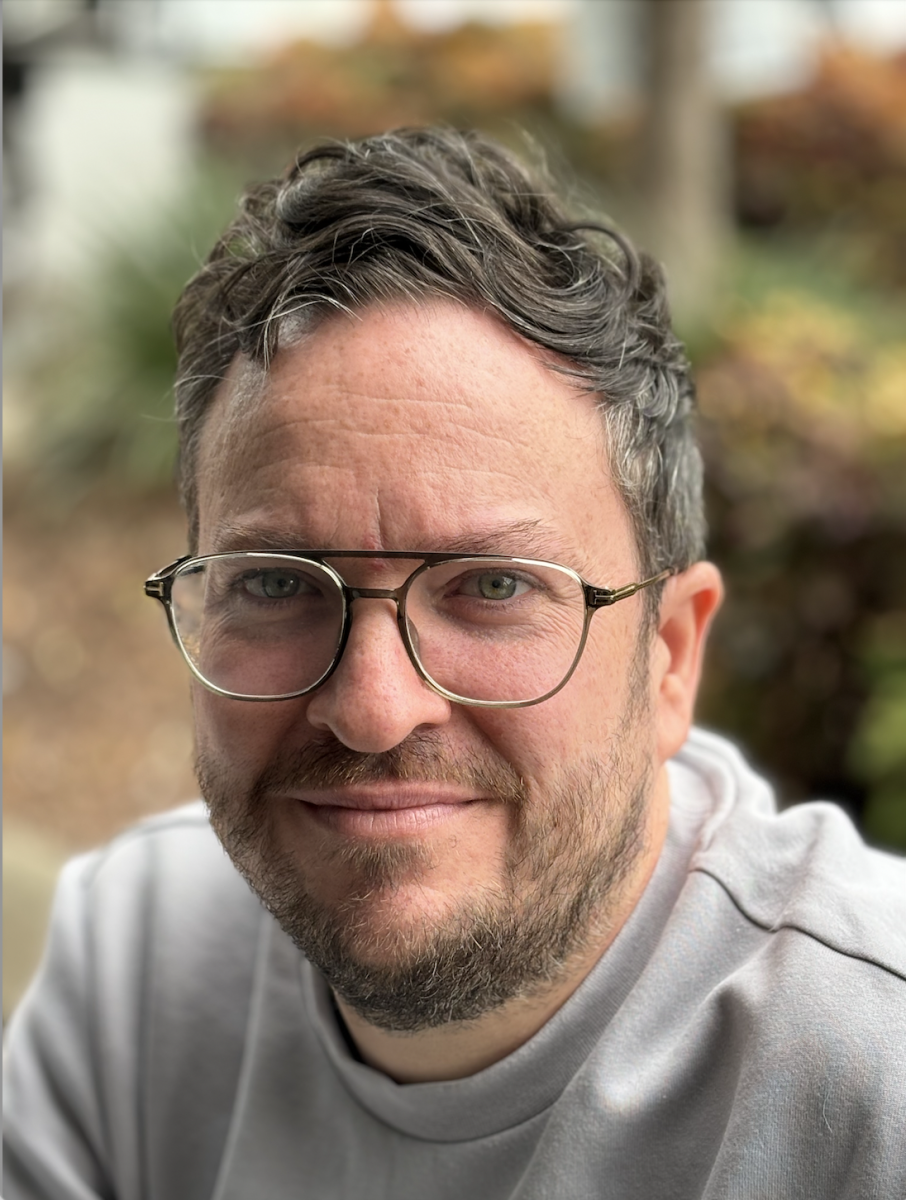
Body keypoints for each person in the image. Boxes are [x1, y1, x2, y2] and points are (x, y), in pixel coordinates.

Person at [4, 127, 905, 1200]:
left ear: (670, 657)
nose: (375, 709)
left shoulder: (874, 1078)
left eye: (492, 588)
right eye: (278, 583)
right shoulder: (133, 959)